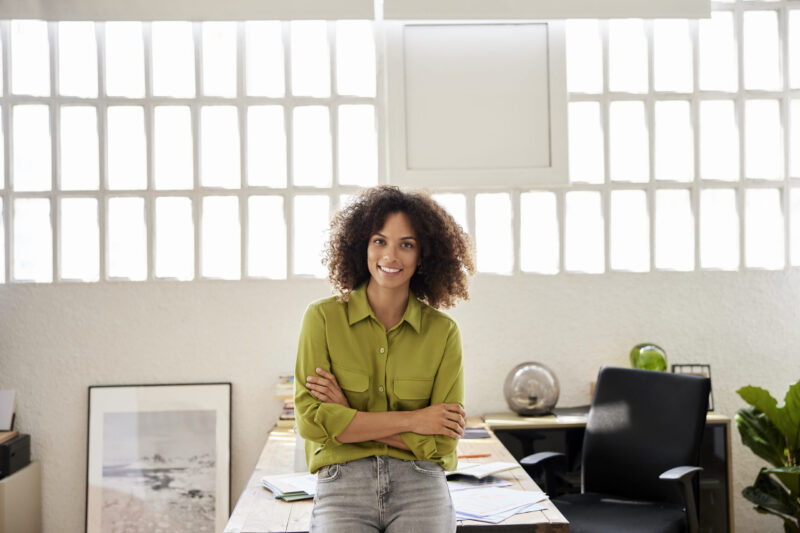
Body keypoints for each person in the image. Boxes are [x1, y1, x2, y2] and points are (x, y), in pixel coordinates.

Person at [294, 185, 475, 533]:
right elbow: (312, 423)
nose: (390, 256)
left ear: (423, 255)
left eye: (406, 244)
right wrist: (416, 420)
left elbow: (443, 443)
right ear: (361, 245)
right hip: (343, 483)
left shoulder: (443, 333)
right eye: (380, 241)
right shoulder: (322, 319)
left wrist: (349, 420)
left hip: (421, 484)